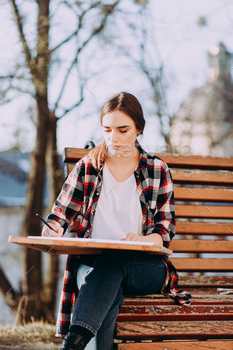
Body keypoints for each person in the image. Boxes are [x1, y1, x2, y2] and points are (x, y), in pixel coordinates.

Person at [42, 92, 179, 350]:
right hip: (94, 264)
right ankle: (74, 344)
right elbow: (59, 215)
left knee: (114, 258)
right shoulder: (88, 167)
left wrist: (142, 239)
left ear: (138, 129)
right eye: (107, 130)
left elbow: (164, 229)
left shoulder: (157, 169)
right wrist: (53, 228)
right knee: (108, 280)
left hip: (144, 267)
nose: (113, 138)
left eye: (122, 130)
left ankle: (71, 345)